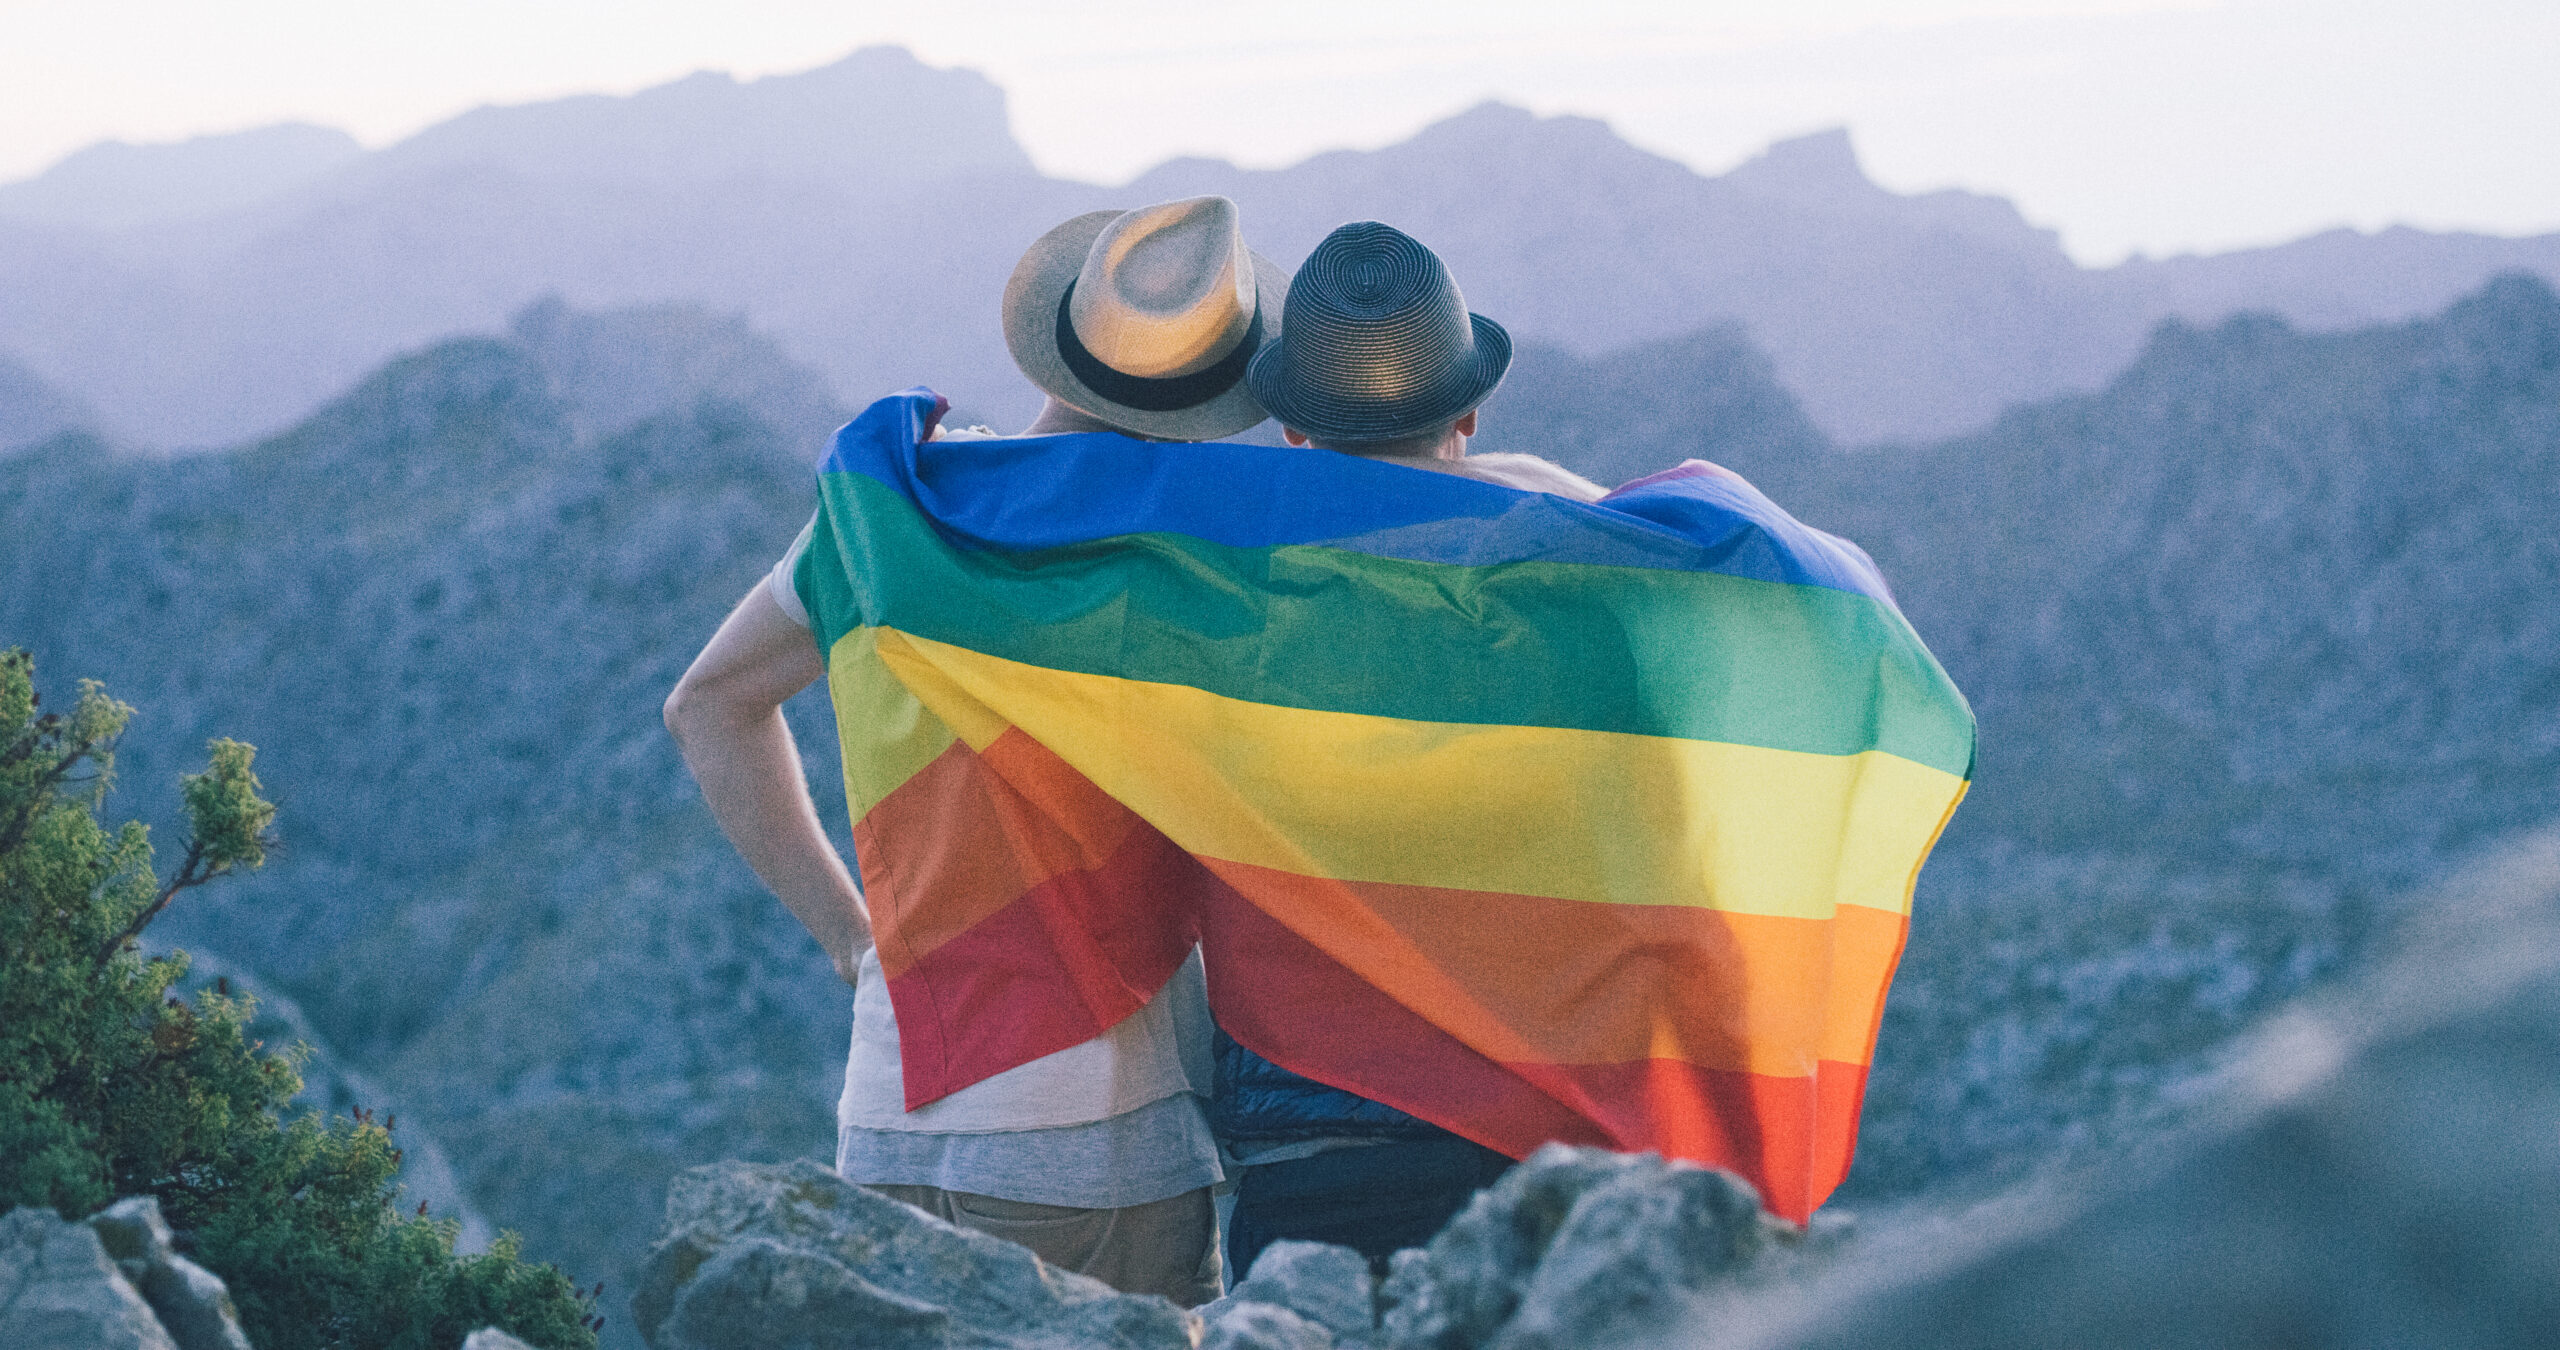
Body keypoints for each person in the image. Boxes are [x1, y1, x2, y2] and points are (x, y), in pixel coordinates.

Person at [663, 195, 1289, 1306]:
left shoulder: (884, 515)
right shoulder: (1189, 554)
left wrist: (848, 939)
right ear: (1211, 394)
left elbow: (707, 708)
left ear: (1063, 343)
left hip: (889, 1111)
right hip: (1097, 1141)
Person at [1209, 220, 1601, 1276]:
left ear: (1292, 432)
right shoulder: (1565, 570)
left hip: (1301, 1135)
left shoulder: (1223, 589)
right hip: (1511, 1122)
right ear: (1468, 411)